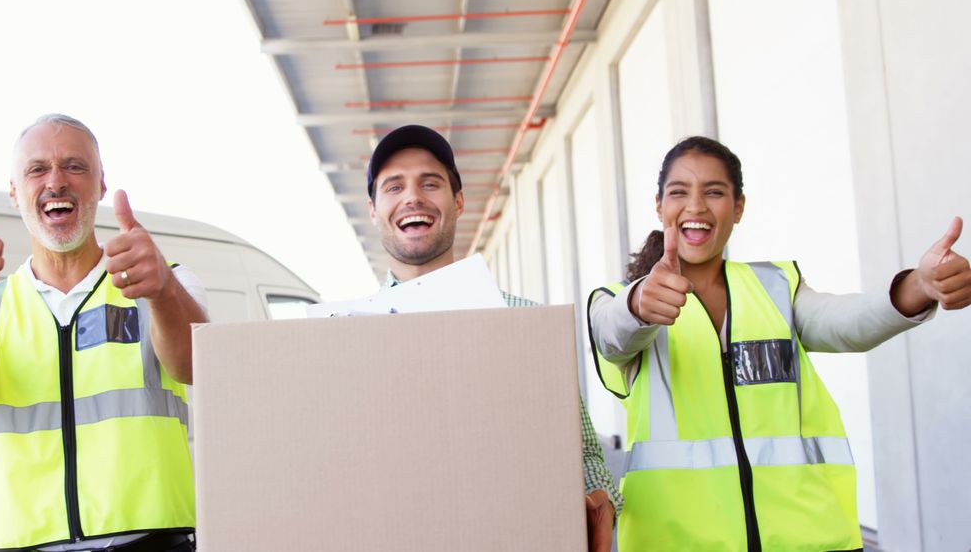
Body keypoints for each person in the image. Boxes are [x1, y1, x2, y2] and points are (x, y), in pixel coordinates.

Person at [587, 136, 971, 551]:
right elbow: (613, 334)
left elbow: (846, 322)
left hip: (808, 538)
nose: (696, 206)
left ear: (738, 208)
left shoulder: (776, 287)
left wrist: (918, 285)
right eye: (679, 192)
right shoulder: (616, 300)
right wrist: (639, 303)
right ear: (659, 205)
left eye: (714, 192)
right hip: (676, 541)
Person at [0, 114, 208, 551]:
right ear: (15, 192)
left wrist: (164, 293)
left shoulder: (161, 281)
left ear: (100, 185)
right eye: (37, 169)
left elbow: (195, 367)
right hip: (27, 543)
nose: (56, 181)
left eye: (75, 166)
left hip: (152, 541)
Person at [366, 124, 623, 552]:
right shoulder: (352, 339)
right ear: (374, 210)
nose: (413, 196)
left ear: (459, 201)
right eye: (394, 186)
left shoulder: (525, 323)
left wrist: (601, 500)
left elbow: (586, 455)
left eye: (431, 183)